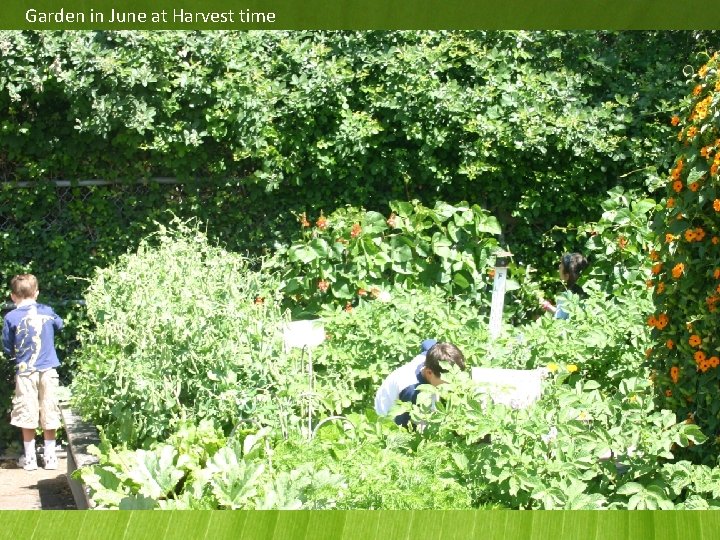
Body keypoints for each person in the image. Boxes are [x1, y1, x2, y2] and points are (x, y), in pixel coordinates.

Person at [2, 274, 64, 471]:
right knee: (49, 410)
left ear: (13, 296)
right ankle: (50, 457)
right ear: (36, 293)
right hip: (48, 369)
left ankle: (30, 459)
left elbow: (6, 346)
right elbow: (60, 325)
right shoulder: (47, 311)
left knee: (25, 412)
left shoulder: (11, 317)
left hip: (25, 371)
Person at [374, 341, 466, 427]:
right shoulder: (412, 391)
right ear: (429, 372)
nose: (452, 384)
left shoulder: (432, 354)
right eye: (447, 382)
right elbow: (402, 427)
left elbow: (428, 342)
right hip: (388, 413)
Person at [540, 252, 589, 320]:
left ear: (567, 276)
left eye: (561, 264)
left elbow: (560, 320)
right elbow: (563, 313)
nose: (559, 266)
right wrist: (548, 306)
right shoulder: (588, 290)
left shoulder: (566, 297)